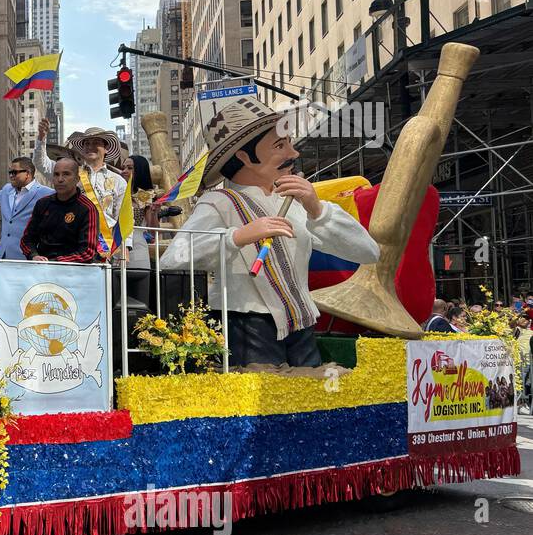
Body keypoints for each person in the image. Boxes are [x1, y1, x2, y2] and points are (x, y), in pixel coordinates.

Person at [162, 96, 379, 369]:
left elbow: (368, 252)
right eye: (280, 145)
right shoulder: (219, 202)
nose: (293, 153)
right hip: (249, 326)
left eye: (288, 142)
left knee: (307, 398)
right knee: (264, 397)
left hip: (301, 324)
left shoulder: (295, 204)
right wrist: (236, 237)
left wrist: (317, 209)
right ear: (243, 156)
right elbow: (173, 258)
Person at [33, 118, 127, 259]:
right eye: (87, 143)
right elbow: (41, 163)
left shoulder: (119, 180)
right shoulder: (70, 172)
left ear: (106, 148)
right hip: (71, 239)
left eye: (96, 143)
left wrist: (125, 247)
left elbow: (123, 217)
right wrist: (41, 137)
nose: (90, 146)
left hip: (105, 244)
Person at [20, 157, 100, 263]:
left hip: (74, 273)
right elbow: (27, 240)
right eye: (56, 174)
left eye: (66, 174)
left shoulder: (87, 209)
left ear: (77, 179)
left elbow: (87, 252)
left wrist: (55, 262)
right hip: (41, 269)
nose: (60, 179)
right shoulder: (42, 204)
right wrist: (33, 255)